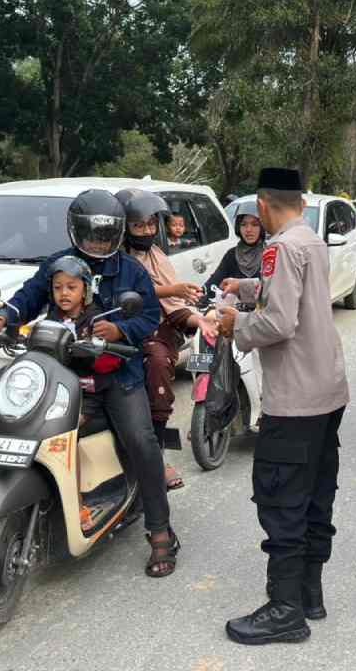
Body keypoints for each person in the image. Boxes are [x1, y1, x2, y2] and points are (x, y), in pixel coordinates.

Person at [0, 189, 181, 578]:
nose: (98, 244)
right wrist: (3, 318)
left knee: (141, 441)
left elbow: (149, 317)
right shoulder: (59, 265)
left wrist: (119, 330)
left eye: (105, 237)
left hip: (116, 376)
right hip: (64, 372)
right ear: (75, 231)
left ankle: (161, 532)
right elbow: (30, 296)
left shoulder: (131, 270)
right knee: (27, 429)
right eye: (91, 236)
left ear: (118, 234)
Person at [216, 168, 349, 645]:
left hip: (294, 397)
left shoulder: (279, 247)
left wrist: (236, 325)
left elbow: (278, 323)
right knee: (315, 494)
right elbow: (298, 295)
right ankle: (310, 593)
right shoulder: (309, 240)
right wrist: (245, 288)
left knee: (281, 499)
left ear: (263, 202)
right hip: (326, 390)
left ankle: (285, 608)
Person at [116, 188, 216, 491]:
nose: (146, 231)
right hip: (118, 329)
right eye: (138, 225)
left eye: (150, 224)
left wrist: (199, 318)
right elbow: (127, 291)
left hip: (154, 334)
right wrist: (172, 291)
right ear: (123, 227)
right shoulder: (115, 258)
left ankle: (155, 456)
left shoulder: (157, 254)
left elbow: (174, 306)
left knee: (158, 364)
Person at [204, 200, 266, 294]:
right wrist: (199, 292)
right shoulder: (232, 254)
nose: (248, 230)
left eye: (255, 224)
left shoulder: (269, 254)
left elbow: (272, 289)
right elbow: (214, 282)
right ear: (238, 227)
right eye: (243, 224)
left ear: (262, 227)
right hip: (232, 307)